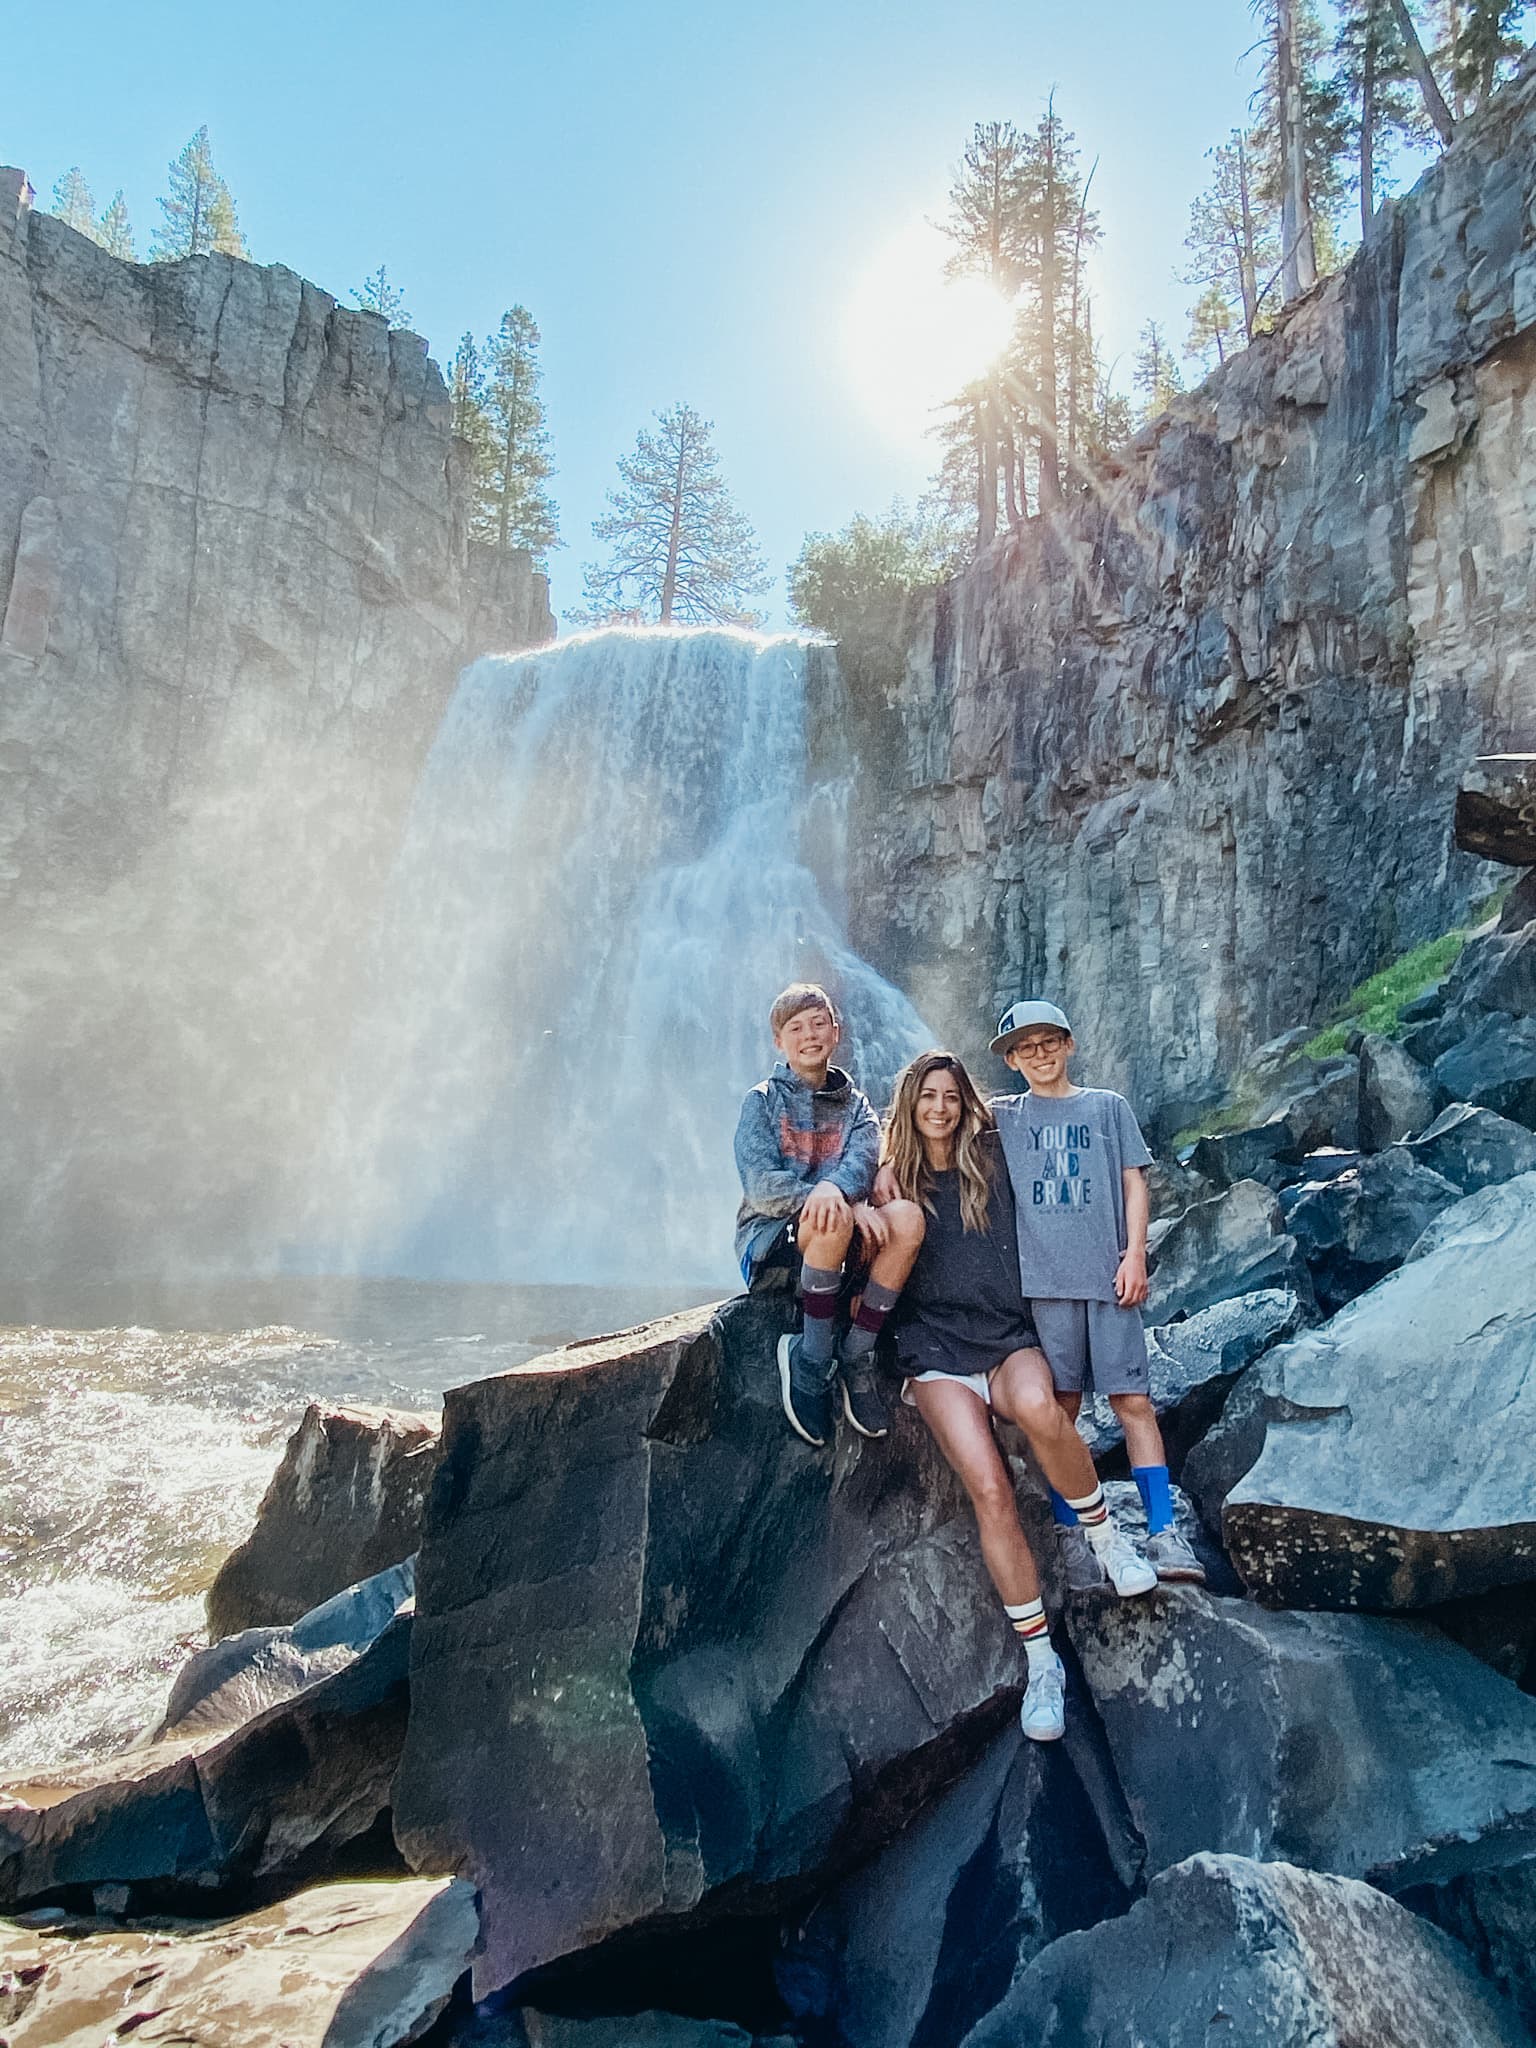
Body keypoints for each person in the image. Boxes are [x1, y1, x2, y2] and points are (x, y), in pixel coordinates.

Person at [879, 1050, 1159, 1744]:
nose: (940, 1108)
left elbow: (1065, 1137)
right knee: (990, 1487)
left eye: (951, 1096)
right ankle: (1043, 1666)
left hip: (1007, 1338)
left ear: (966, 1103)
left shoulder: (994, 1157)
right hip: (936, 1352)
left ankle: (1106, 1540)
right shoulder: (890, 1178)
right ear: (909, 1106)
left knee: (1041, 1410)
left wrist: (1132, 1249)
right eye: (928, 1097)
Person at [988, 999, 1205, 1585]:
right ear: (1011, 1059)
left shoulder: (1108, 1108)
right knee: (1060, 1410)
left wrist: (1135, 1254)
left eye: (1048, 1042)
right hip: (1043, 1288)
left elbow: (1135, 1185)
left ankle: (1164, 1531)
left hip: (1111, 1282)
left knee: (1132, 1401)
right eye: (1025, 1048)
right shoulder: (1003, 1118)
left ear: (1069, 1044)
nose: (1039, 1055)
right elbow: (934, 1122)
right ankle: (1069, 1532)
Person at [734, 982, 925, 1450]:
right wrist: (829, 1197)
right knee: (830, 1218)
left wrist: (844, 1194)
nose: (809, 1034)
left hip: (838, 1239)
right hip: (771, 1243)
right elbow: (760, 1186)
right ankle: (811, 1357)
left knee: (907, 1218)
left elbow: (862, 1160)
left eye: (819, 1023)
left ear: (836, 1032)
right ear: (780, 1043)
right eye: (796, 1028)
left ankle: (856, 1352)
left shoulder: (857, 1106)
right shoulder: (761, 1101)